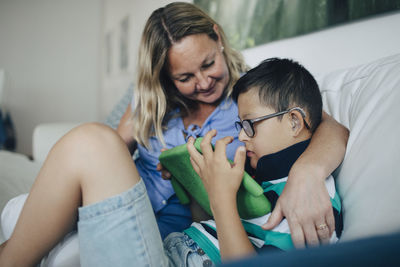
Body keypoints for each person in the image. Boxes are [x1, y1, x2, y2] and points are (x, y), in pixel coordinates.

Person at [0, 2, 348, 265]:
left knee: (91, 144)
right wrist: (129, 142)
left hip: (168, 239)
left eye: (209, 63)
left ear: (217, 35)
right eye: (185, 77)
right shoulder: (151, 103)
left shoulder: (252, 97)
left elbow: (322, 124)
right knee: (88, 151)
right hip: (120, 211)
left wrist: (308, 171)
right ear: (166, 76)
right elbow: (104, 159)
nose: (203, 82)